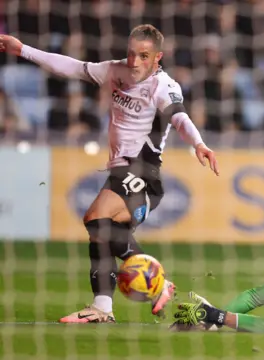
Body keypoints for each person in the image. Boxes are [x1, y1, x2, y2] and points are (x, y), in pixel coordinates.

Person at [0, 25, 219, 323]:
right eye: (131, 54)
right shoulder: (115, 71)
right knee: (101, 232)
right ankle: (103, 306)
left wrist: (199, 144)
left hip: (143, 172)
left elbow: (179, 116)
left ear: (158, 57)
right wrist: (22, 49)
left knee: (94, 218)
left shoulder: (164, 86)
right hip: (121, 171)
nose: (135, 61)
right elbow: (73, 67)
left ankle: (157, 284)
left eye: (143, 56)